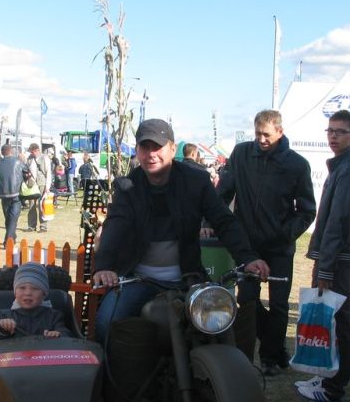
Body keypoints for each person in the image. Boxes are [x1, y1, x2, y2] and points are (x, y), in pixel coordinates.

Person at [92, 118, 269, 346]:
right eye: (145, 147)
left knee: (223, 326)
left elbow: (224, 221)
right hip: (139, 279)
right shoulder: (128, 187)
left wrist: (248, 257)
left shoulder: (196, 181)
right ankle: (111, 380)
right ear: (137, 150)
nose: (151, 154)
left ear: (173, 149)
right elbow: (114, 226)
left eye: (157, 147)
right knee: (107, 322)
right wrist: (105, 265)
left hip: (188, 278)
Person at [217, 109, 316, 375]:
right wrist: (209, 223)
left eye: (267, 135)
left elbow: (307, 210)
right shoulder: (241, 154)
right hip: (247, 247)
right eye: (258, 133)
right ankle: (250, 353)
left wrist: (285, 233)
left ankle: (271, 356)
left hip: (279, 248)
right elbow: (223, 193)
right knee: (248, 301)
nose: (261, 139)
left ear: (280, 132)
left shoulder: (296, 164)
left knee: (280, 303)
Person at [295, 110, 350, 402]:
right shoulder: (341, 166)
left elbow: (338, 221)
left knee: (337, 321)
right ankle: (326, 375)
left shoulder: (349, 168)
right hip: (333, 256)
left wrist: (325, 267)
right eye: (330, 131)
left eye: (340, 132)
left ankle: (334, 385)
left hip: (337, 259)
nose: (334, 137)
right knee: (329, 321)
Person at [0, 262, 71, 340]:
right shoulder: (4, 315)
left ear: (44, 294)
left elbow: (66, 335)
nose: (28, 293)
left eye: (35, 288)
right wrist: (2, 327)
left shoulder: (54, 316)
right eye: (22, 288)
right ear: (15, 292)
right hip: (14, 353)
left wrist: (57, 334)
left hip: (42, 353)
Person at [0, 144, 24, 244]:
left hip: (3, 194)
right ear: (11, 151)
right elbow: (26, 173)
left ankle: (12, 237)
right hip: (16, 194)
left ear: (2, 152)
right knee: (13, 218)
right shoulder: (18, 162)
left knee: (8, 218)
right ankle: (8, 241)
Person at [26, 143, 50, 232]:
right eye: (31, 152)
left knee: (41, 205)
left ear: (37, 150)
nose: (32, 153)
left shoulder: (45, 158)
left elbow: (48, 173)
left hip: (42, 183)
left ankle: (43, 226)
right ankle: (31, 226)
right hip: (32, 184)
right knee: (31, 205)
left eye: (33, 152)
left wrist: (47, 187)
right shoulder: (29, 158)